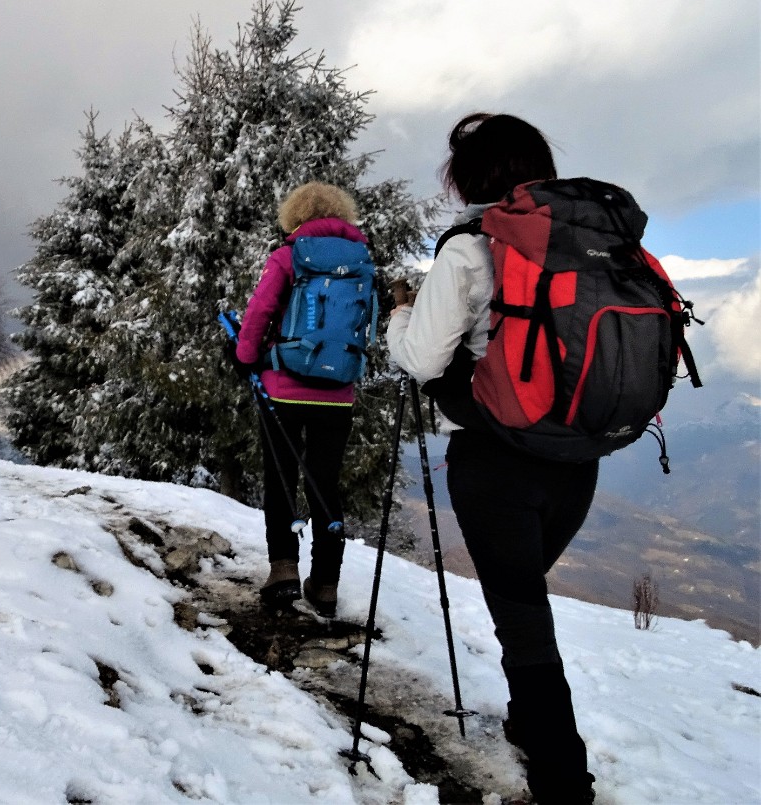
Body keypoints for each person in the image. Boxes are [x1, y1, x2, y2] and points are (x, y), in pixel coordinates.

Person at [386, 113, 597, 804]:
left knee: (523, 616)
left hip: (495, 460)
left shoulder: (470, 248)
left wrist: (398, 317)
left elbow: (422, 358)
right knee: (522, 600)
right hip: (579, 455)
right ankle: (530, 720)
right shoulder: (586, 241)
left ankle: (565, 778)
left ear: (470, 178)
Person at [233, 181, 367, 617]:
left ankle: (284, 570)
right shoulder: (362, 261)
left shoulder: (288, 256)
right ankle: (326, 583)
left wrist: (246, 358)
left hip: (283, 386)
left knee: (281, 477)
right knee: (325, 482)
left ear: (294, 215)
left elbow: (258, 315)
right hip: (338, 392)